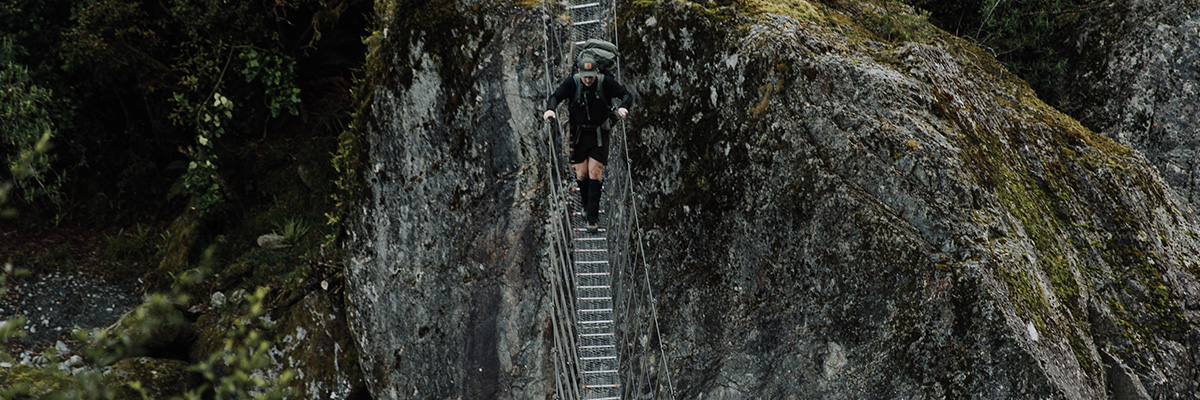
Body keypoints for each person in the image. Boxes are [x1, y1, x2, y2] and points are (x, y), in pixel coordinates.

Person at [543, 57, 633, 233]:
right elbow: (556, 96)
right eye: (585, 76)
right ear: (579, 73)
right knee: (582, 174)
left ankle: (592, 218)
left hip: (600, 133)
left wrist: (623, 106)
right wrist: (550, 109)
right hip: (578, 134)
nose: (588, 79)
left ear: (597, 73)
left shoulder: (605, 82)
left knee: (595, 171)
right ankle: (585, 204)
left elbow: (626, 94)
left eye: (591, 76)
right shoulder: (572, 83)